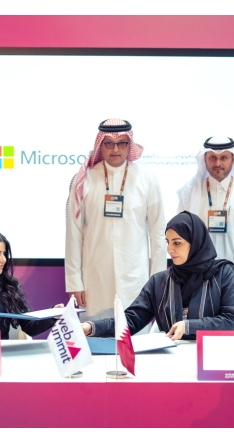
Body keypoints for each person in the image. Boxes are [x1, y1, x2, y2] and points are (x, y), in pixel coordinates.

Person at [81, 211, 234, 340]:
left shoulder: (223, 273)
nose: (169, 249)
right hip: (170, 357)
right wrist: (91, 327)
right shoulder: (159, 281)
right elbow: (130, 320)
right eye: (168, 242)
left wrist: (189, 326)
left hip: (211, 357)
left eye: (177, 243)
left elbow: (231, 320)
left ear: (196, 242)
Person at [65, 118, 166, 322]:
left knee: (136, 340)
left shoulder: (147, 178)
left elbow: (158, 234)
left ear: (130, 145)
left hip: (136, 278)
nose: (115, 149)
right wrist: (75, 281)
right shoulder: (84, 179)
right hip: (95, 278)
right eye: (109, 143)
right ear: (100, 145)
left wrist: (158, 282)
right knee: (97, 336)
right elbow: (73, 234)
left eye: (122, 143)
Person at [177, 136, 234, 331]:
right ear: (204, 159)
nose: (218, 163)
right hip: (198, 280)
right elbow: (179, 237)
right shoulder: (188, 193)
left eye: (224, 158)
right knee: (198, 336)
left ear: (233, 159)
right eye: (212, 158)